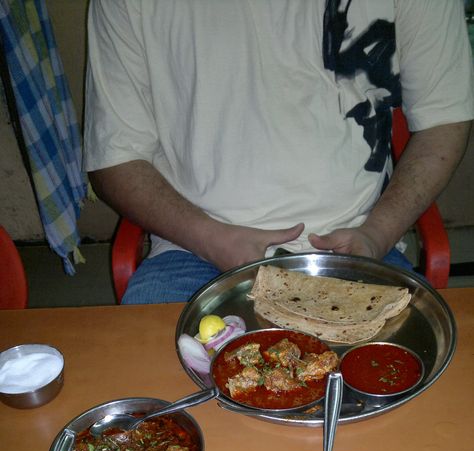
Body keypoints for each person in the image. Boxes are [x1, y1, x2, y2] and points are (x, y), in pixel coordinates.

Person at [83, 0, 473, 304]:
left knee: (417, 403)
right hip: (193, 249)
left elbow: (444, 119)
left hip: (360, 247)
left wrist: (378, 233)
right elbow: (114, 156)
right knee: (158, 394)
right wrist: (210, 238)